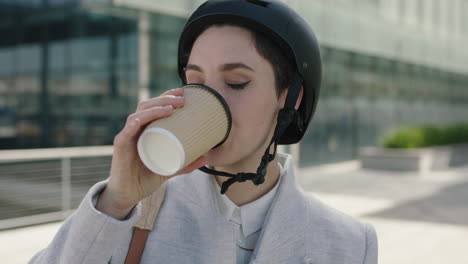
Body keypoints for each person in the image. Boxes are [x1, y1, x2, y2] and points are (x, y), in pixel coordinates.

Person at [29, 1, 378, 263]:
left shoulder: (348, 244)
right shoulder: (129, 215)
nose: (210, 100)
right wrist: (117, 198)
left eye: (236, 82)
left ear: (290, 98)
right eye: (196, 82)